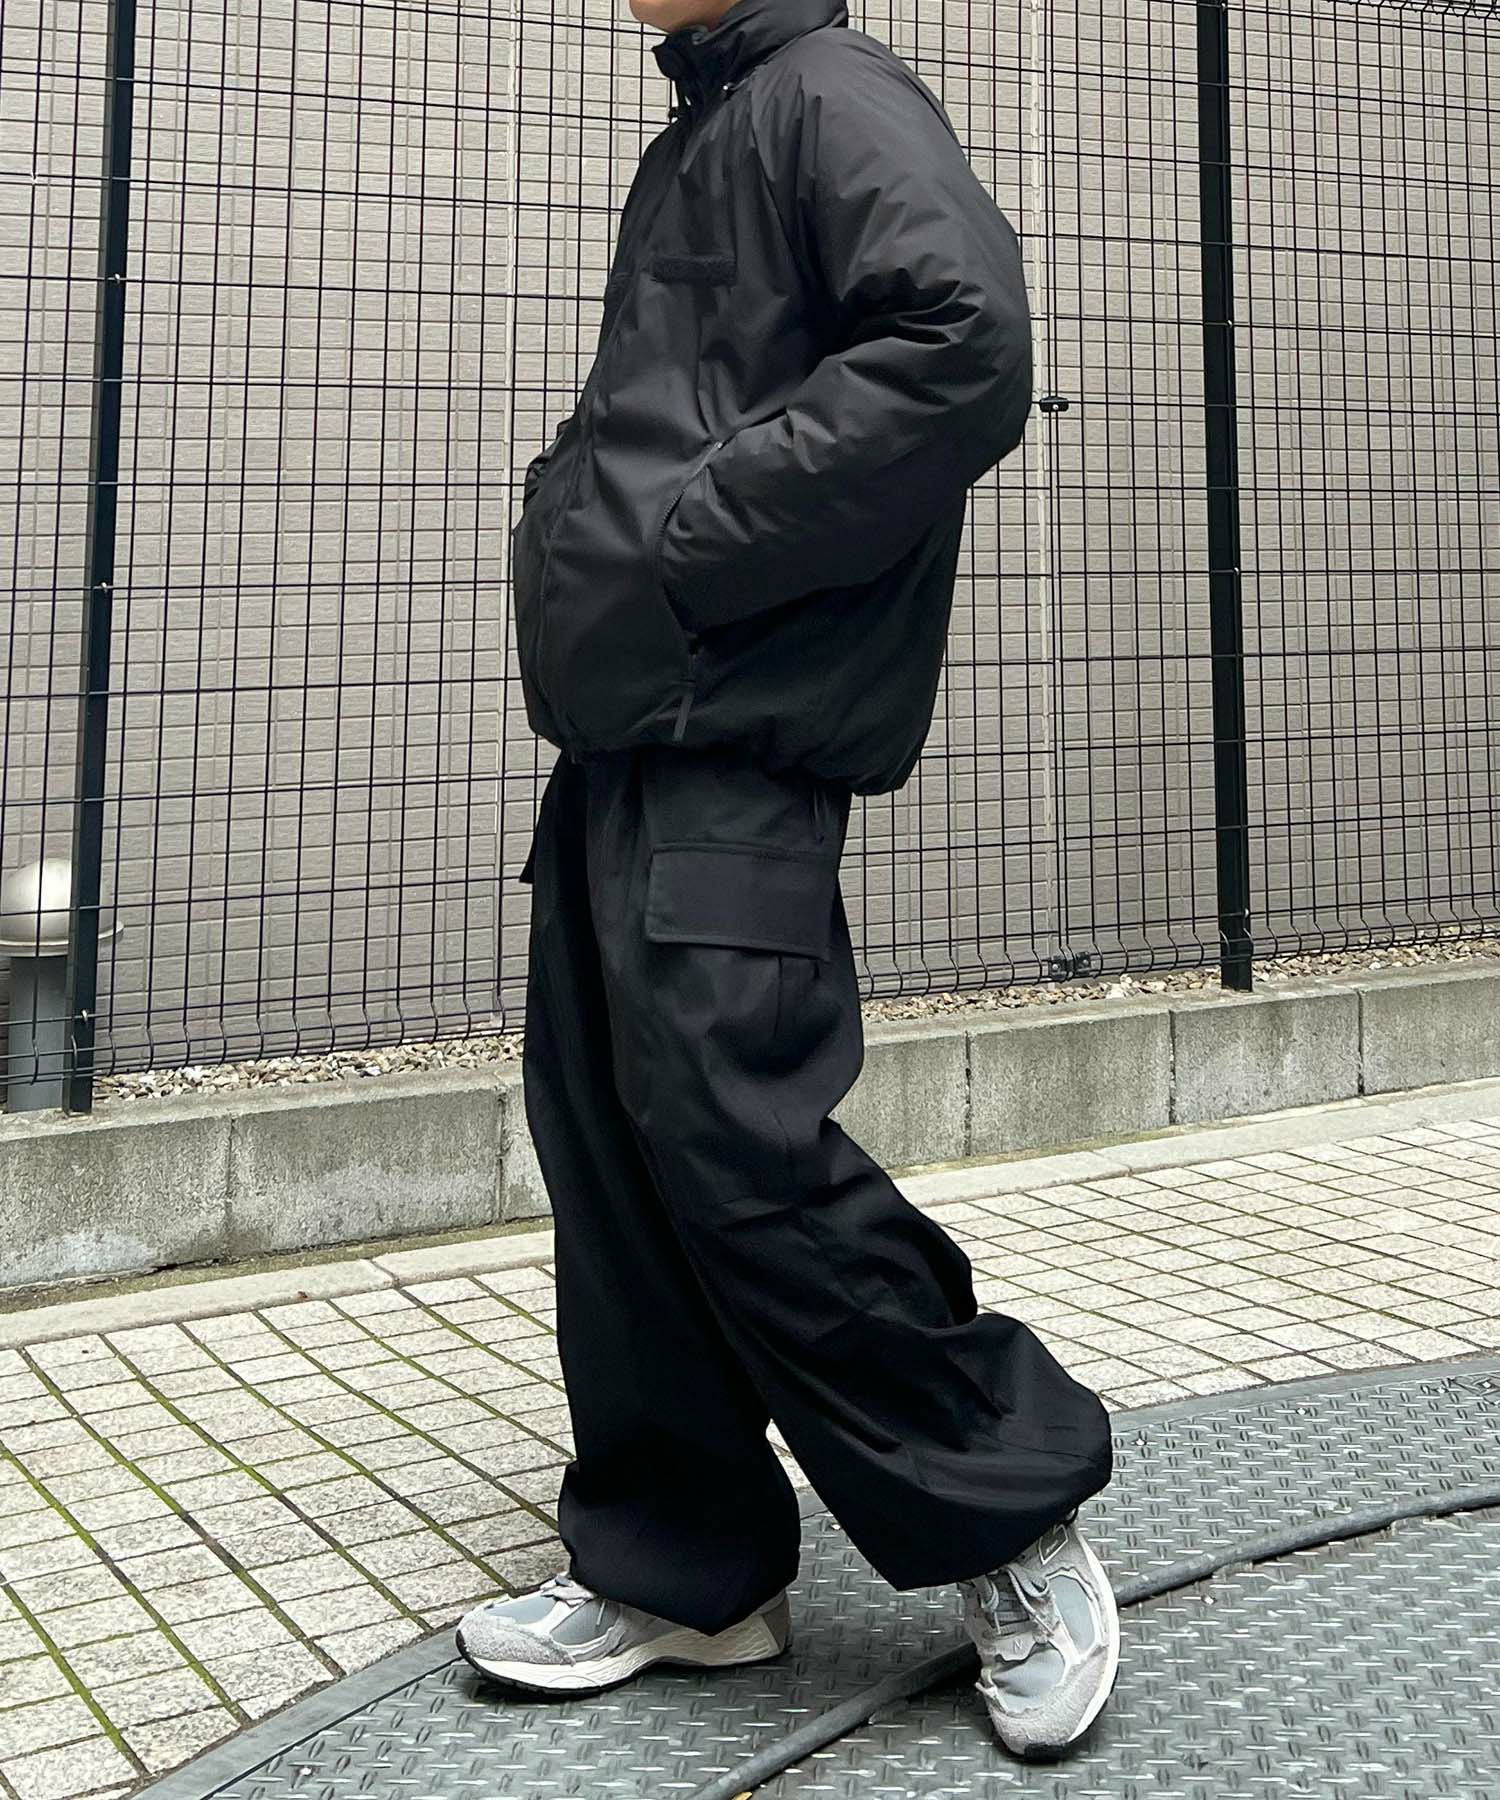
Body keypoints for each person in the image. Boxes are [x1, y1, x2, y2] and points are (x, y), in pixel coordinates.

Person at [456, 0, 1118, 1760]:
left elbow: (963, 343)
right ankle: (683, 1571)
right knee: (615, 1154)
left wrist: (685, 536)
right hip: (634, 736)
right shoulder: (710, 122)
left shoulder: (829, 95)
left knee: (739, 1147)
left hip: (733, 739)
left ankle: (1011, 1518)